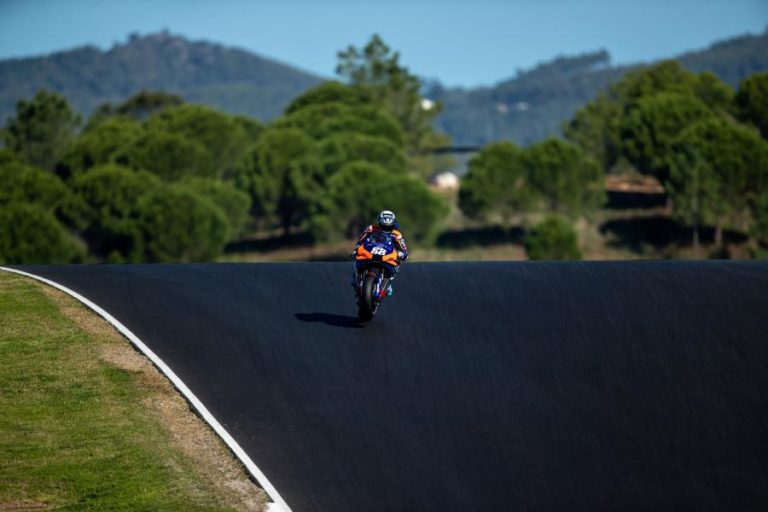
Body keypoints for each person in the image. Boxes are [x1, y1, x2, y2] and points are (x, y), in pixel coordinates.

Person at [351, 210, 408, 296]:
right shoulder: (371, 228)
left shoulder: (397, 234)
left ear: (393, 224)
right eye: (383, 226)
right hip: (371, 250)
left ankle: (388, 283)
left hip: (387, 254)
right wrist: (356, 248)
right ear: (379, 222)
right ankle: (357, 276)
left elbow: (404, 249)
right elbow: (361, 240)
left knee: (397, 263)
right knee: (357, 256)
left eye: (388, 227)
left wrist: (402, 254)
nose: (385, 229)